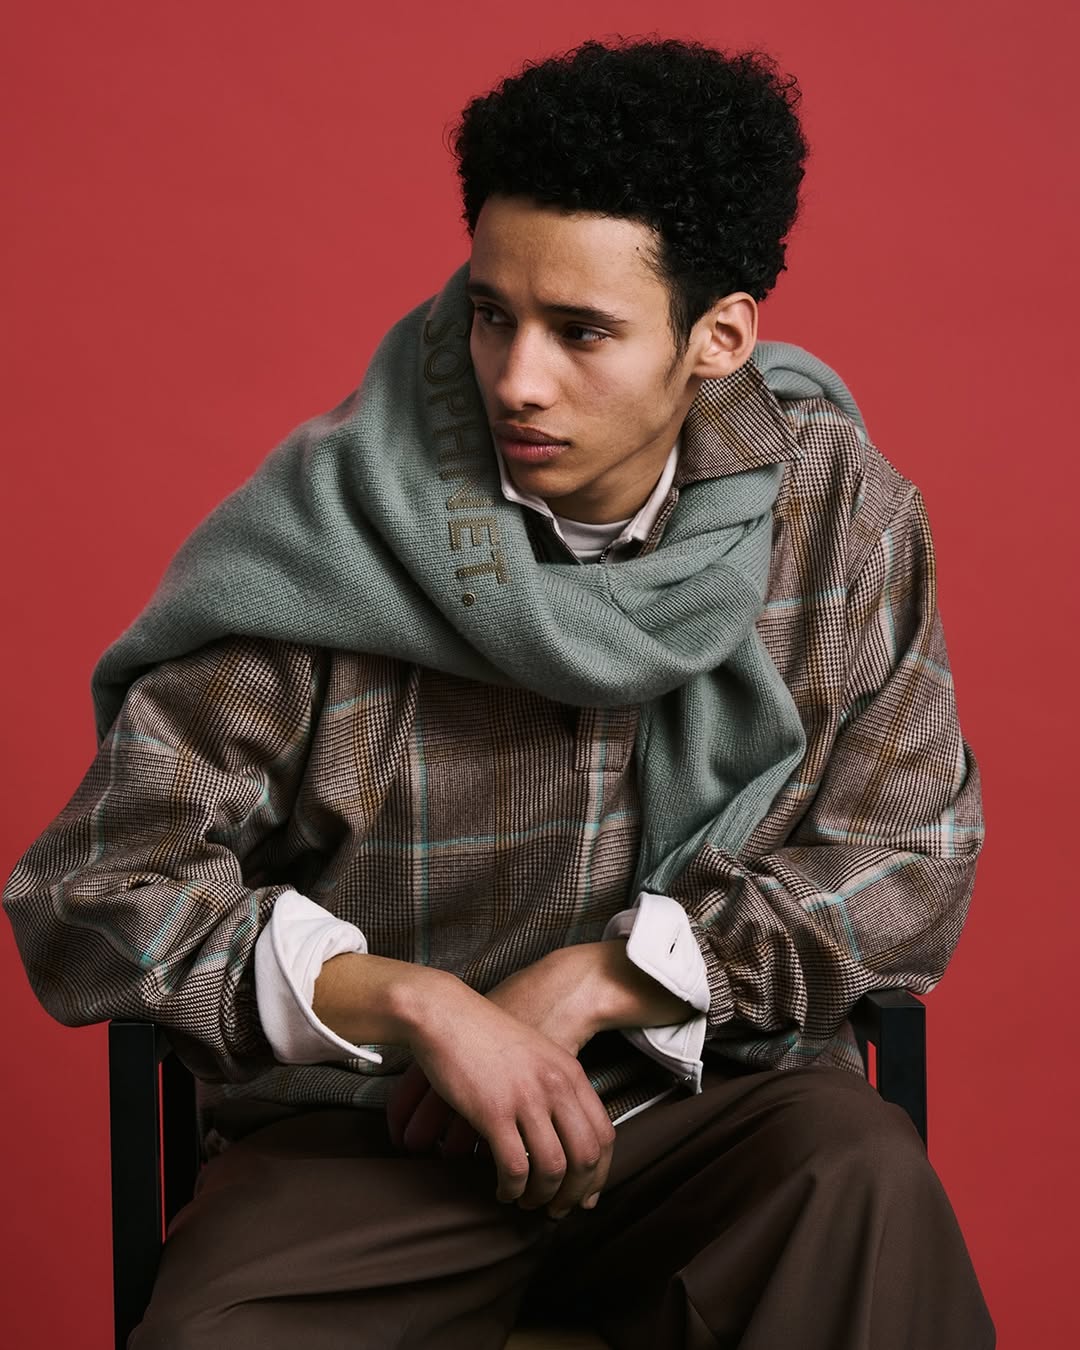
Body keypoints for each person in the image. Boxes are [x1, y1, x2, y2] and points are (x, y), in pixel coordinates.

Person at [3, 37, 994, 1350]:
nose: (519, 379)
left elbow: (910, 856)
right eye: (491, 314)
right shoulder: (339, 533)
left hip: (708, 1115)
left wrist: (609, 977)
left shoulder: (837, 514)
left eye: (582, 331)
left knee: (862, 1188)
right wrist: (417, 1006)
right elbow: (92, 892)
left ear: (718, 336)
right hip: (375, 1142)